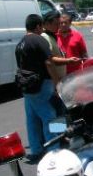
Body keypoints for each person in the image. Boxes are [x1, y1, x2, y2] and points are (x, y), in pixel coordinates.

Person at [16, 14, 61, 163]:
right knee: (51, 117)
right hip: (41, 85)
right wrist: (57, 83)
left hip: (27, 87)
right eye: (41, 26)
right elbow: (49, 63)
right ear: (37, 26)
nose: (42, 29)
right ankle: (54, 151)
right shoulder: (39, 40)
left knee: (32, 118)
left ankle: (36, 149)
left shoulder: (21, 43)